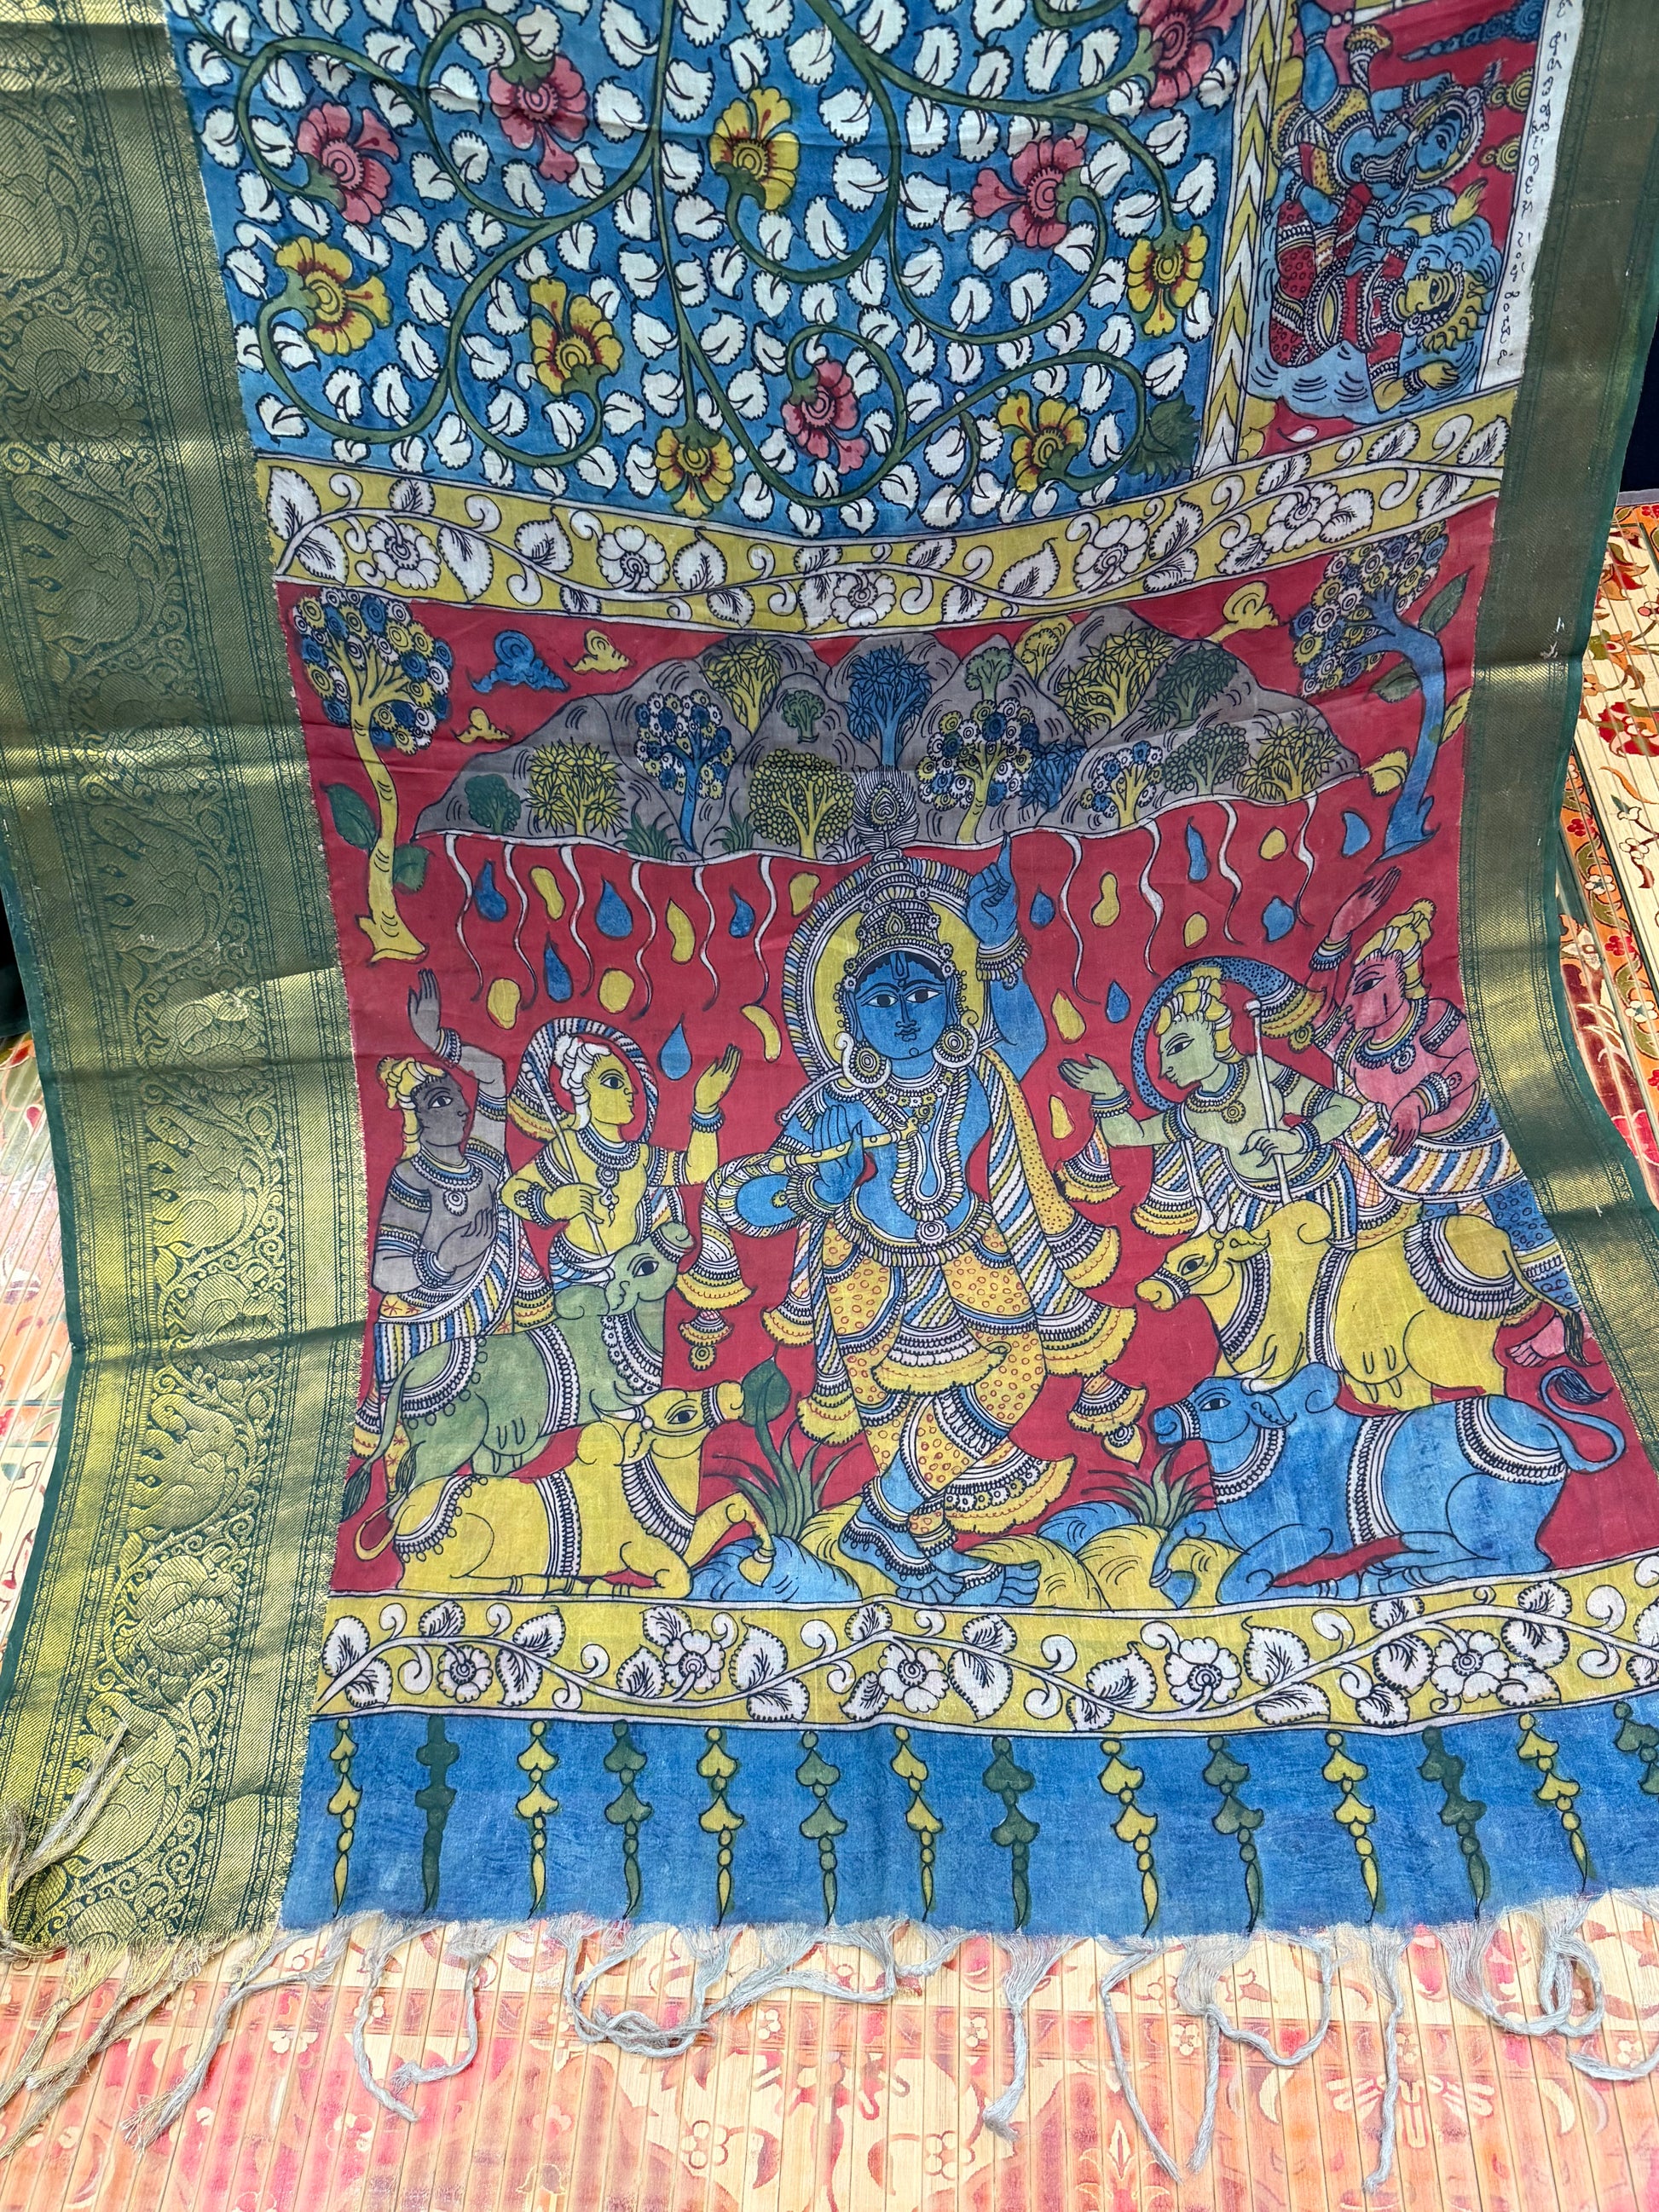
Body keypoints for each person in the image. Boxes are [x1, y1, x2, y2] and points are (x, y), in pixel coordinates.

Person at [682, 846, 1139, 1603]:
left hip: (972, 1253)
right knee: (896, 1421)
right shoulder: (834, 1104)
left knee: (1020, 1365)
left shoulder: (974, 1080)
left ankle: (878, 1515)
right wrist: (815, 1192)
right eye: (882, 998)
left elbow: (1025, 1042)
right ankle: (921, 1549)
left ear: (952, 1003)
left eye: (922, 993)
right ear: (850, 1013)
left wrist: (997, 944)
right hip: (865, 1271)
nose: (903, 1013)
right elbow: (747, 1201)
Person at [353, 970, 553, 1462]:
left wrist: (439, 1041)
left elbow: (493, 1074)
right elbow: (385, 1273)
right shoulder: (412, 1178)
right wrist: (443, 1259)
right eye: (441, 1101)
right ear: (417, 1116)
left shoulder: (483, 1163)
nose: (463, 1109)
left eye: (459, 1099)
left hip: (493, 1312)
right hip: (425, 1323)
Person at [1061, 962, 1376, 1239]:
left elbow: (1344, 1108)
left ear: (1215, 1034)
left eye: (1179, 1046)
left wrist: (1297, 1140)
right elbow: (1132, 1135)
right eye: (1163, 1056)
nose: (1166, 1068)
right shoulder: (1193, 1113)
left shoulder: (1259, 1071)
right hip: (1251, 1205)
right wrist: (1109, 1093)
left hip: (1318, 1185)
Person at [500, 1018, 740, 1291]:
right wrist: (552, 1204)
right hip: (577, 1272)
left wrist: (705, 1108)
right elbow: (511, 1192)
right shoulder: (569, 1147)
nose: (629, 1090)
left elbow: (697, 1170)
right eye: (613, 1082)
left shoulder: (639, 1156)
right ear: (583, 1091)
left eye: (628, 1084)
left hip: (632, 1271)